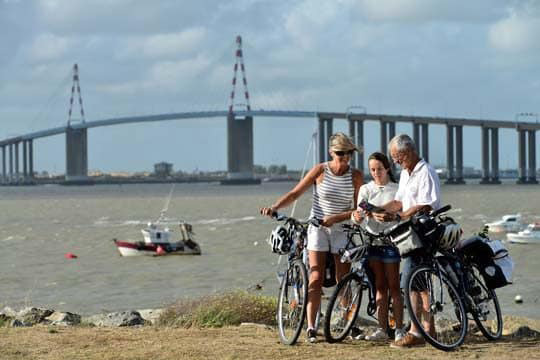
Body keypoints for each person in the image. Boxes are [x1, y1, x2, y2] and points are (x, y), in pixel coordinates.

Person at [260, 132, 363, 343]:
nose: (344, 158)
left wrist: (336, 218)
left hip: (341, 228)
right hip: (317, 228)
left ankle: (347, 322)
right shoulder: (320, 170)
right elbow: (295, 193)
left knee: (342, 279)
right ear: (331, 152)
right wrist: (275, 207)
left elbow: (357, 208)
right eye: (340, 153)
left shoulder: (356, 176)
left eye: (348, 154)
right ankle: (311, 326)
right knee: (314, 277)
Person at [371, 133, 441, 348]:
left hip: (423, 231)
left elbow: (426, 205)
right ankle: (428, 330)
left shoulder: (425, 171)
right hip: (409, 235)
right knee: (418, 283)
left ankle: (416, 332)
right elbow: (399, 202)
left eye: (397, 156)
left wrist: (400, 216)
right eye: (393, 157)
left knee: (412, 280)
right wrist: (379, 211)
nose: (395, 161)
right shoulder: (405, 174)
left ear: (408, 151)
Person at [351, 152, 405, 342]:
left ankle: (399, 329)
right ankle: (382, 329)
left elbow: (402, 211)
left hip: (390, 242)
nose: (376, 173)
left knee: (394, 286)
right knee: (379, 287)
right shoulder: (366, 189)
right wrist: (356, 217)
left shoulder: (397, 189)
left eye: (379, 169)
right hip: (371, 241)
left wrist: (387, 214)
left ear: (388, 168)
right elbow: (360, 212)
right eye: (372, 170)